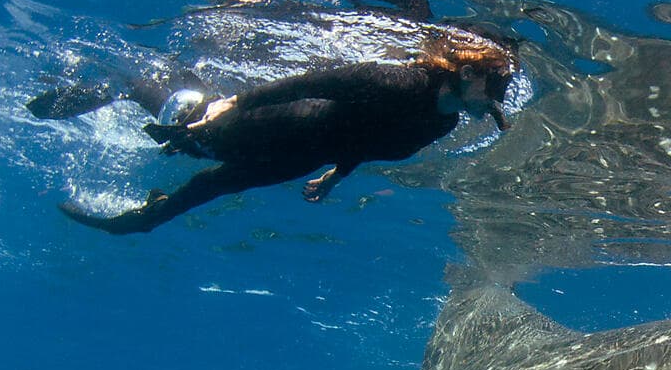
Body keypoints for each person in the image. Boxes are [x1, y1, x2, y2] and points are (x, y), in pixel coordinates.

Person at [54, 27, 516, 234]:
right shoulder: (400, 81)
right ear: (469, 74)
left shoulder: (444, 121)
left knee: (205, 189)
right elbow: (313, 82)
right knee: (183, 127)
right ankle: (121, 85)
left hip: (298, 159)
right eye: (496, 87)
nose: (498, 100)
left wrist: (336, 175)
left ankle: (138, 222)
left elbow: (371, 140)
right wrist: (234, 102)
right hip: (277, 126)